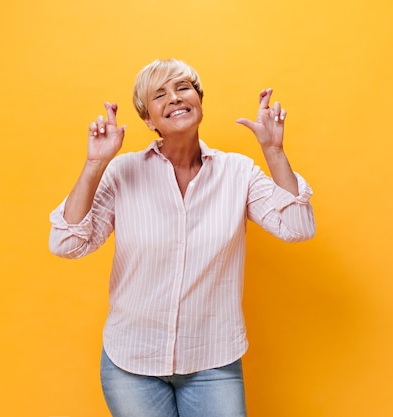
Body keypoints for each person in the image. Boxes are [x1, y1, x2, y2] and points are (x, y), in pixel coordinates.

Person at [49, 58, 315, 417]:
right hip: (132, 363)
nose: (174, 98)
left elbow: (298, 227)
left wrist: (274, 152)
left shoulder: (238, 173)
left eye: (183, 88)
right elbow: (66, 244)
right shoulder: (122, 172)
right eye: (160, 95)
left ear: (199, 100)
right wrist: (95, 165)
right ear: (148, 119)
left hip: (213, 362)